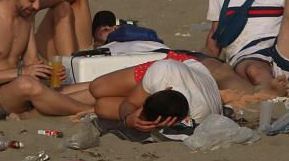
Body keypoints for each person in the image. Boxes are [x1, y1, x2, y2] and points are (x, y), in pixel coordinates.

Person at [90, 56, 223, 131]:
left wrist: (162, 129)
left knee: (102, 106)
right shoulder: (162, 72)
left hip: (198, 85)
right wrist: (128, 118)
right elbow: (130, 102)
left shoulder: (198, 115)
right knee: (97, 88)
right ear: (167, 88)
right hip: (183, 62)